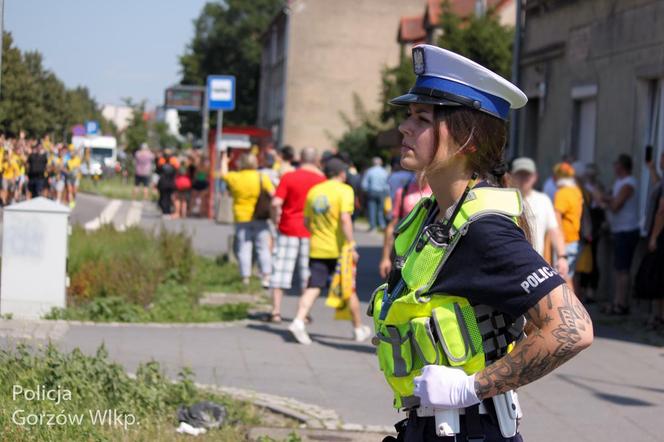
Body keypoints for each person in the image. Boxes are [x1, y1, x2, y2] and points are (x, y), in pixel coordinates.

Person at [370, 45, 592, 442]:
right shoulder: (433, 217)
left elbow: (572, 329)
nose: (405, 128)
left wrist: (471, 387)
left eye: (422, 118)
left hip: (470, 430)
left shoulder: (483, 230)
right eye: (409, 116)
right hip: (430, 428)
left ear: (467, 139)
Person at [288, 158, 371, 345]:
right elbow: (345, 219)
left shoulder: (315, 191)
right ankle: (358, 329)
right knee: (349, 288)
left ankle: (299, 320)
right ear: (342, 173)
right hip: (339, 250)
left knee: (313, 286)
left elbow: (307, 222)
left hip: (317, 247)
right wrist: (351, 244)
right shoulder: (345, 190)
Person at [268, 147, 326, 322]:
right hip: (311, 232)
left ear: (300, 158)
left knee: (281, 270)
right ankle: (303, 314)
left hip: (288, 228)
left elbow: (276, 202)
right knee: (306, 273)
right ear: (316, 159)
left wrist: (275, 220)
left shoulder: (288, 177)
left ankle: (276, 311)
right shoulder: (321, 180)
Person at [220, 150, 274, 287]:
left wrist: (224, 161)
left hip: (241, 217)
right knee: (263, 248)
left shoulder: (236, 177)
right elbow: (273, 193)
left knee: (244, 247)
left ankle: (245, 277)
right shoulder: (262, 177)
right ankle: (266, 276)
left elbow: (223, 174)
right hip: (260, 216)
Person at [594, 154, 640, 315]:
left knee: (623, 269)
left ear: (621, 166)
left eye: (616, 164)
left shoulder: (629, 183)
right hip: (619, 230)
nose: (614, 167)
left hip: (627, 230)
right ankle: (617, 301)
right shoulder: (620, 182)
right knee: (619, 268)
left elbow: (616, 206)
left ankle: (621, 304)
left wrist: (602, 197)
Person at [509, 157, 569, 278]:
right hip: (509, 266)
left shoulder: (543, 200)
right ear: (511, 176)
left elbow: (555, 231)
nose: (523, 179)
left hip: (535, 269)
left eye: (527, 175)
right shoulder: (504, 199)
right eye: (520, 174)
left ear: (535, 177)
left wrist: (562, 257)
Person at [378, 174, 432, 279]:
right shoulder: (403, 192)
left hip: (426, 251)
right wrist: (385, 258)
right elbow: (392, 226)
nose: (421, 174)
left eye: (424, 170)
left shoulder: (436, 192)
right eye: (418, 171)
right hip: (404, 251)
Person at [552, 162, 584, 290]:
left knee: (562, 280)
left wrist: (558, 238)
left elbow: (556, 215)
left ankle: (569, 308)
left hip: (565, 240)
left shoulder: (562, 193)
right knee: (568, 277)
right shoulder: (576, 191)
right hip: (574, 238)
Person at [361, 157, 389, 231]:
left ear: (373, 163)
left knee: (372, 209)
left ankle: (373, 226)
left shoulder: (369, 171)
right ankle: (382, 225)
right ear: (381, 163)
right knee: (381, 209)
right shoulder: (384, 172)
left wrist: (366, 191)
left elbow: (364, 184)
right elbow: (387, 184)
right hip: (382, 192)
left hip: (372, 191)